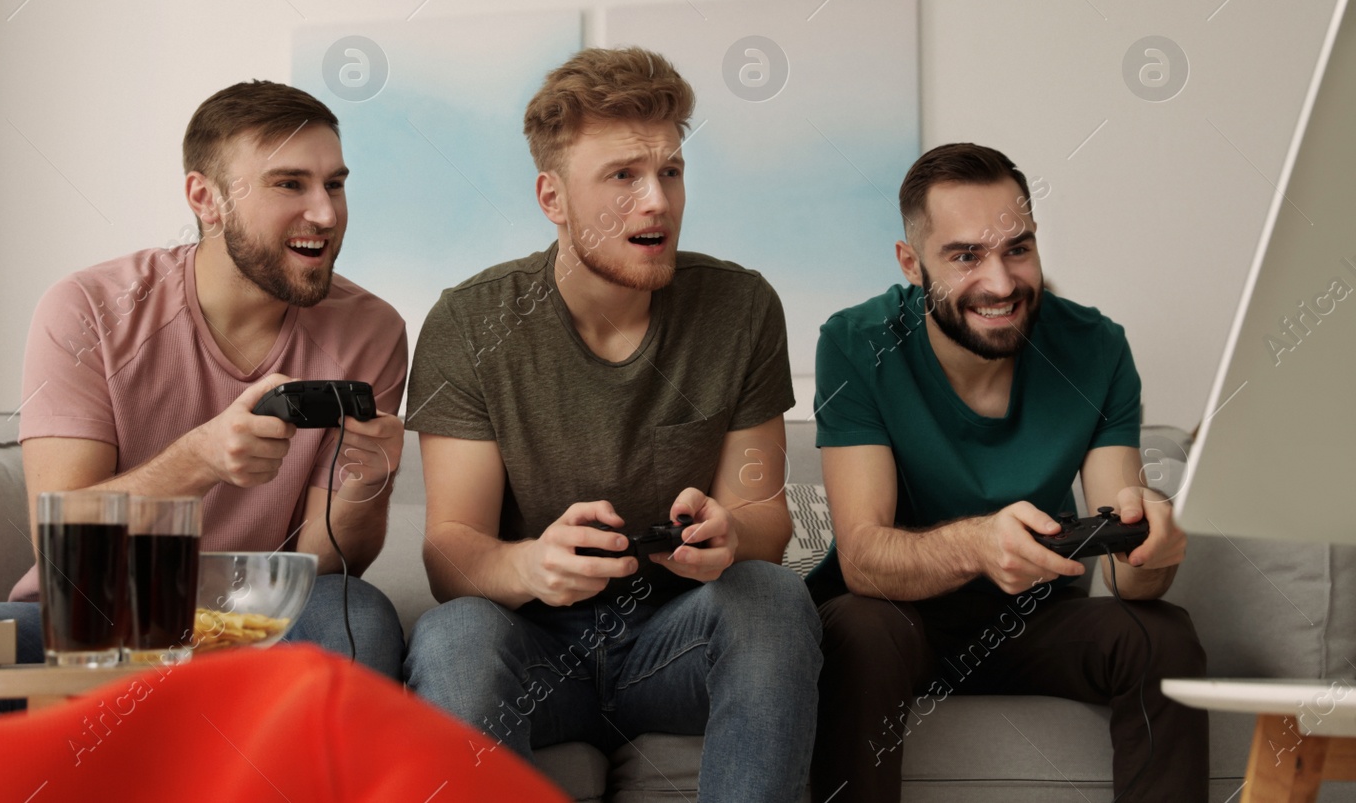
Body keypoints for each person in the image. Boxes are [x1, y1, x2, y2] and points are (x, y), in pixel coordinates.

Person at [402, 47, 823, 803]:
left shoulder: (743, 308)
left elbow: (763, 518)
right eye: (623, 175)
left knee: (771, 597)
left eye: (670, 171)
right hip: (533, 651)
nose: (657, 201)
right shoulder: (469, 321)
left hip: (675, 644)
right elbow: (450, 552)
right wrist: (531, 565)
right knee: (453, 632)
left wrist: (729, 534)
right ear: (552, 198)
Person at [0, 81, 409, 716]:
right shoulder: (90, 308)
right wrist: (201, 459)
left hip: (254, 623)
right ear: (205, 198)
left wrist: (367, 479)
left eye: (335, 184)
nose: (325, 212)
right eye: (289, 184)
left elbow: (322, 562)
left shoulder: (371, 331)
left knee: (356, 614)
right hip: (97, 617)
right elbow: (64, 542)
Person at [807, 143, 1207, 802]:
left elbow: (1130, 569)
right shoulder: (855, 341)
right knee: (859, 629)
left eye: (1017, 249)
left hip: (1034, 622)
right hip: (899, 619)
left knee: (1161, 633)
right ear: (912, 264)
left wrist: (1154, 545)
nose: (999, 282)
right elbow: (864, 557)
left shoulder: (1096, 346)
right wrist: (977, 545)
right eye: (965, 256)